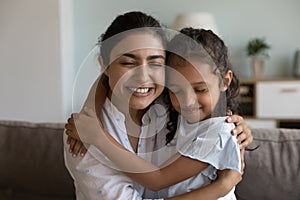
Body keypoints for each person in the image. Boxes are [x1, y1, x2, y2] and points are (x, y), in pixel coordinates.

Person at [64, 11, 252, 200]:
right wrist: (91, 116)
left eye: (155, 63)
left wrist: (236, 133)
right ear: (104, 65)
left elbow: (159, 178)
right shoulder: (82, 137)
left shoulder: (169, 100)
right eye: (128, 62)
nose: (143, 77)